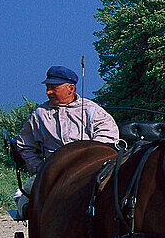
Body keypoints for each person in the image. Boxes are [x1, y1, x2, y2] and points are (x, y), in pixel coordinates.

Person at [12, 65, 119, 215]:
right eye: (47, 88)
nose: (48, 92)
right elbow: (24, 145)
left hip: (89, 171)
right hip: (52, 172)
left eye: (53, 88)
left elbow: (107, 139)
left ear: (71, 88)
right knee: (28, 200)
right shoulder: (39, 115)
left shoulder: (92, 111)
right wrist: (39, 167)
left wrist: (88, 160)